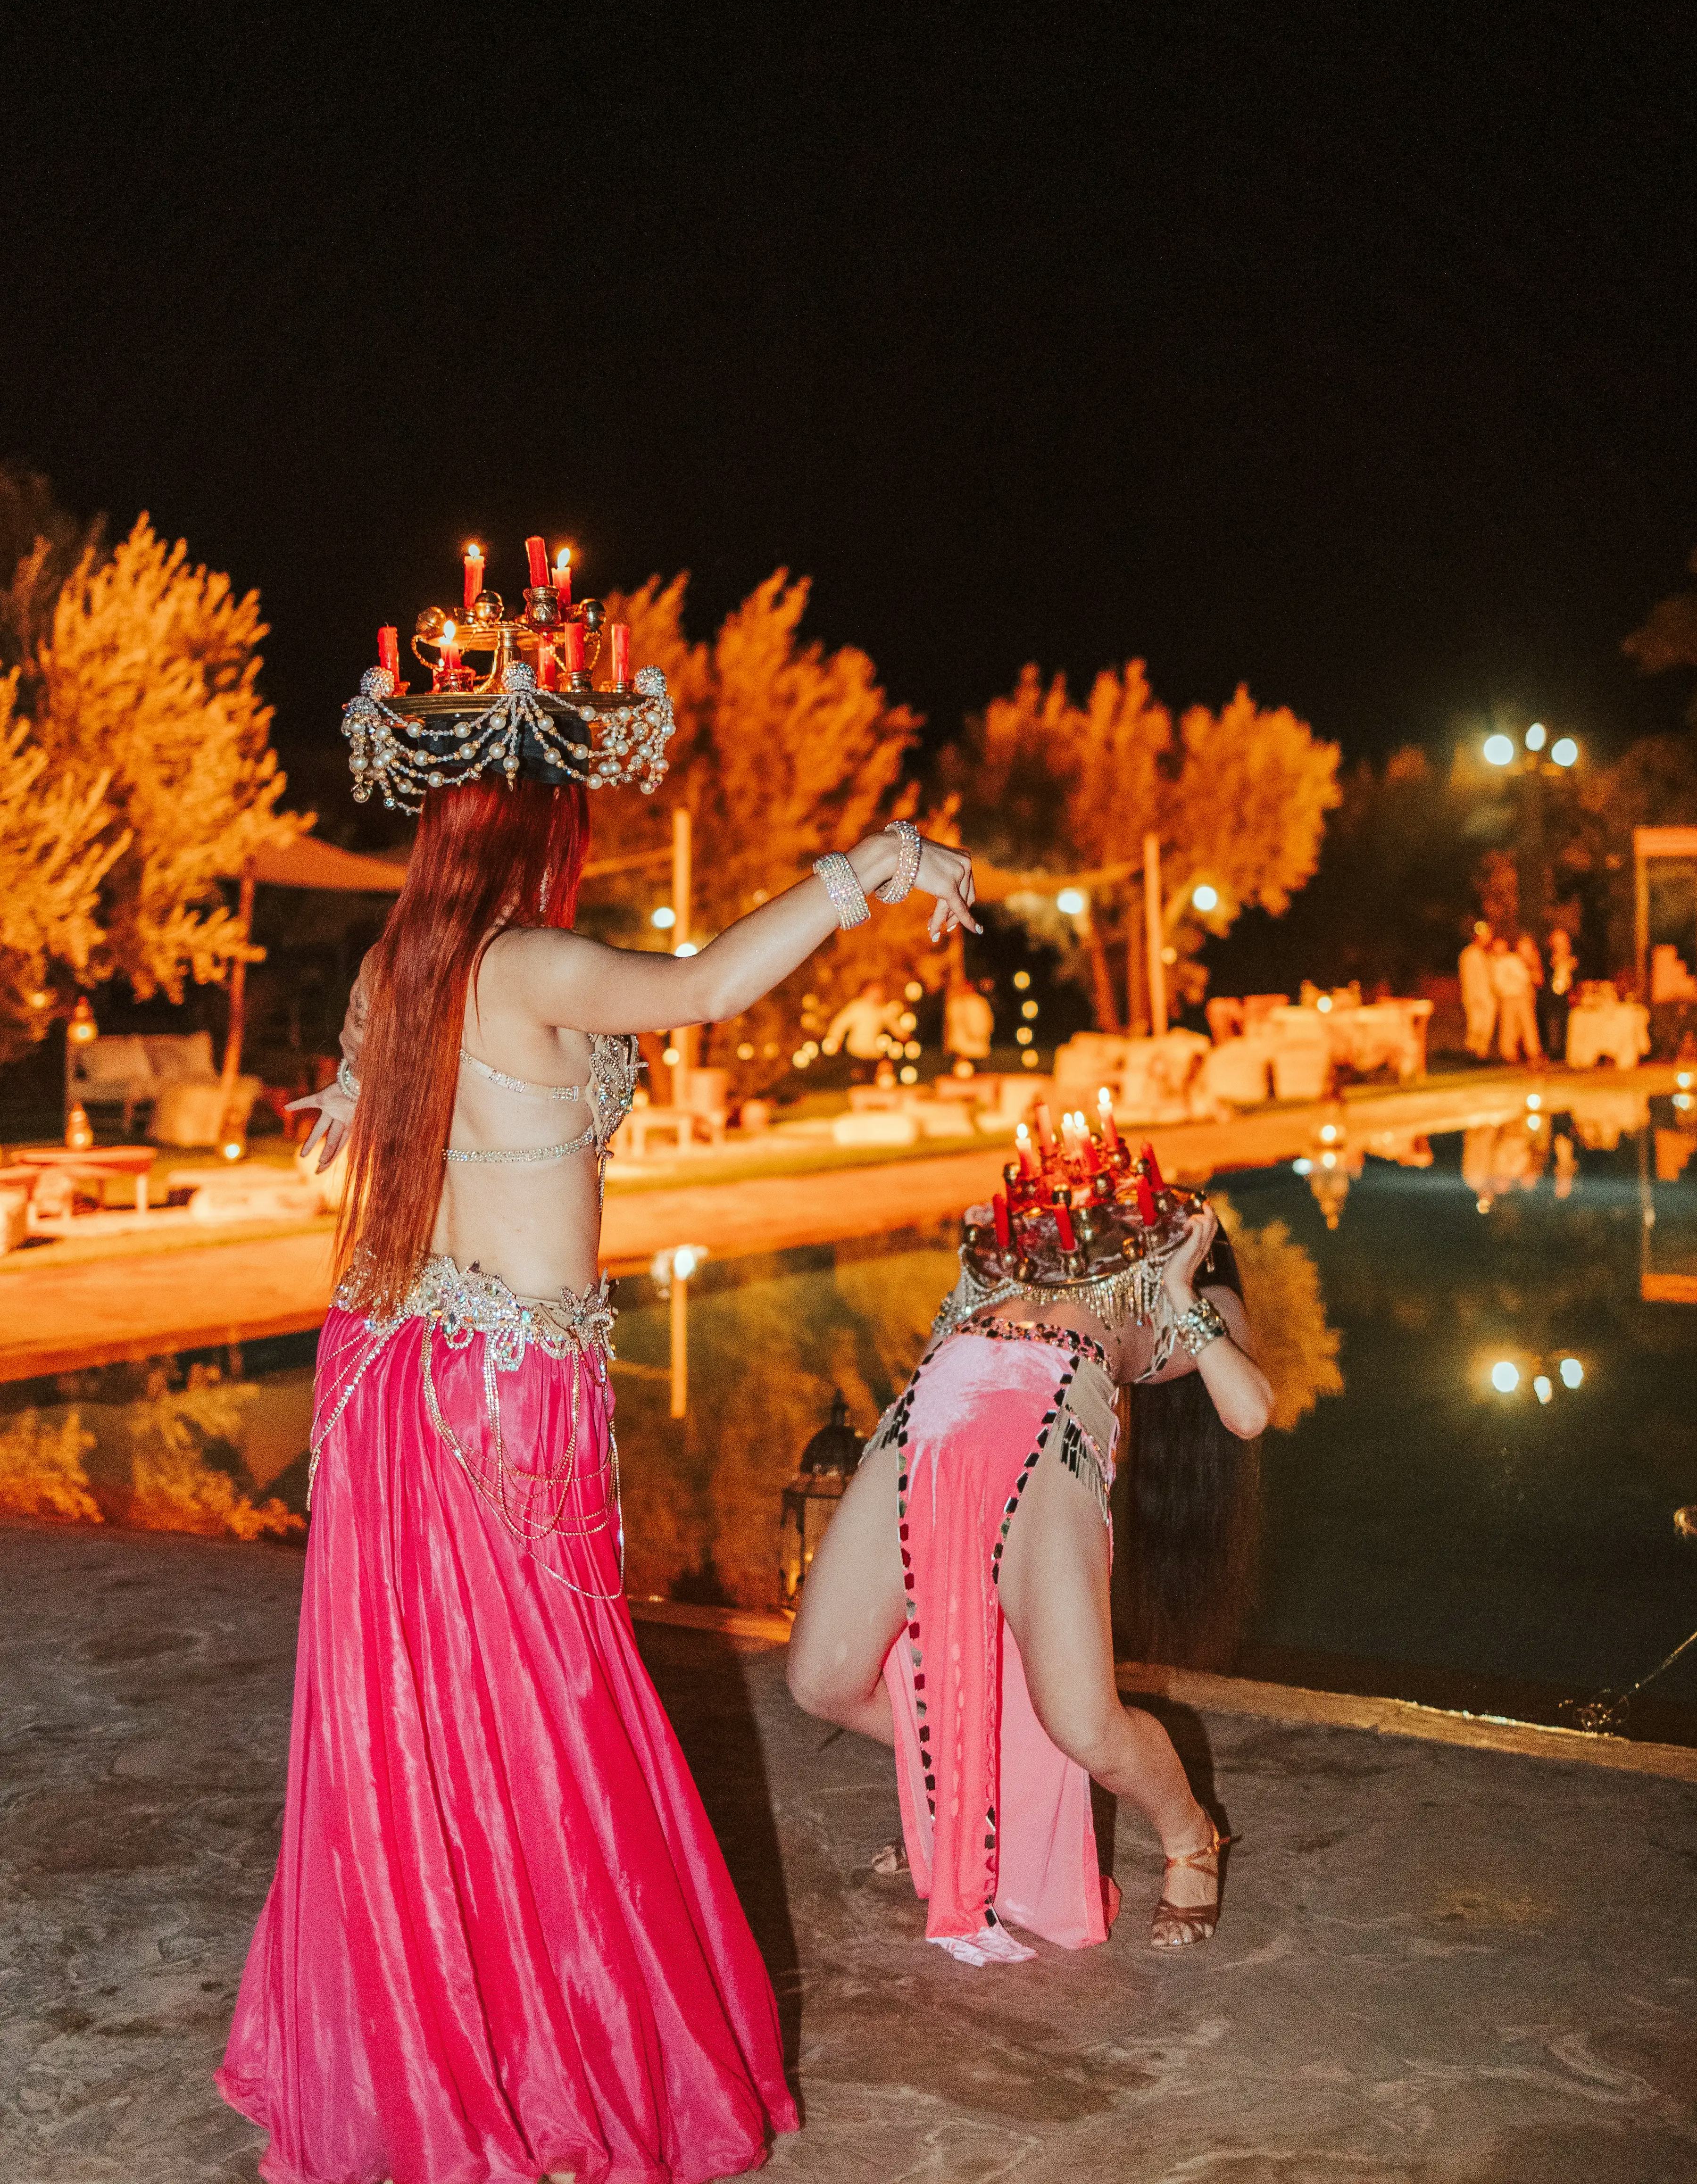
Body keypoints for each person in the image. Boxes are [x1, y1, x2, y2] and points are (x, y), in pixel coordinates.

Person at [217, 643, 981, 2184]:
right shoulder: (523, 961)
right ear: (537, 829)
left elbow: (376, 1161)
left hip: (405, 1371)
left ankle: (442, 2052)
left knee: (433, 1729)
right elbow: (699, 986)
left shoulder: (404, 965)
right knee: (543, 1717)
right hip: (501, 1395)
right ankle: (560, 2060)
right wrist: (873, 869)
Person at [786, 1186, 1273, 1963]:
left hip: (1049, 1432)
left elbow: (1249, 1412)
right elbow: (950, 1324)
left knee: (1084, 1725)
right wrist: (976, 1269)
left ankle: (1192, 1836)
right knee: (823, 1679)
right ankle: (973, 1797)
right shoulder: (1035, 1254)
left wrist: (1180, 1284)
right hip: (934, 1417)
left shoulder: (1194, 1290)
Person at [820, 974, 902, 1067]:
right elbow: (840, 1023)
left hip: (874, 1053)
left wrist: (904, 1037)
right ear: (866, 991)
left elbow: (894, 1026)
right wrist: (835, 1038)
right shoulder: (857, 1007)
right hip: (856, 1052)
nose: (878, 995)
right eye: (875, 991)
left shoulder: (882, 1010)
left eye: (880, 992)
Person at [1492, 931, 1541, 1064]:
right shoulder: (1495, 962)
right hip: (1507, 997)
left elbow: (1524, 976)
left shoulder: (1513, 959)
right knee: (1508, 1026)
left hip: (1521, 995)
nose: (1499, 949)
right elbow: (1498, 982)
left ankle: (1533, 1052)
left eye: (1501, 946)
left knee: (1528, 1024)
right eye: (1497, 947)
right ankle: (1508, 1053)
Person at [1459, 921, 1497, 1061]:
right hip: (1475, 996)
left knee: (1487, 1025)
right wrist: (1474, 997)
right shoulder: (1469, 954)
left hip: (1488, 996)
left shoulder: (1487, 955)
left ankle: (1481, 1054)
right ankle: (1472, 1053)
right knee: (1476, 1025)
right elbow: (1468, 979)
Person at [1541, 925, 1578, 1062]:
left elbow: (1579, 977)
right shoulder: (1547, 959)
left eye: (1563, 941)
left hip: (1571, 999)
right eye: (1557, 942)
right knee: (1554, 1026)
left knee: (1571, 1026)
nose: (1561, 945)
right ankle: (1555, 1052)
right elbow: (1544, 978)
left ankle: (1570, 1051)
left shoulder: (1573, 960)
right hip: (1553, 1000)